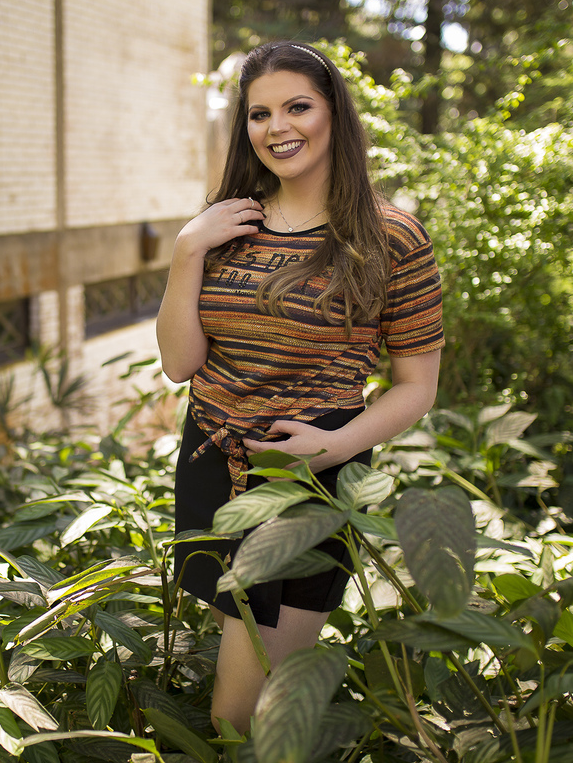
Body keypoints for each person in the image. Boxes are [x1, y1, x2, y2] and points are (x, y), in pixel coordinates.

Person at [155, 41, 444, 733]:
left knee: (241, 712)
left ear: (334, 113)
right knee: (257, 699)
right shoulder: (227, 224)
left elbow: (417, 385)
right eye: (260, 114)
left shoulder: (391, 236)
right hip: (211, 459)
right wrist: (188, 248)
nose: (277, 127)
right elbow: (179, 363)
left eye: (297, 107)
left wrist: (334, 446)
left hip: (309, 474)